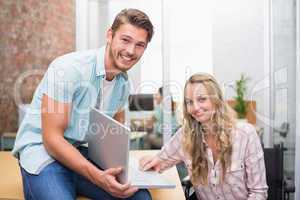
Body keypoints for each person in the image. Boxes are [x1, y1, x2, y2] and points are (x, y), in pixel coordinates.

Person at [12, 8, 154, 200]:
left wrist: (128, 169)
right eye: (125, 40)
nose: (130, 51)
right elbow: (52, 139)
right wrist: (98, 178)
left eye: (139, 45)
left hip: (79, 153)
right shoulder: (68, 69)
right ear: (110, 35)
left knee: (141, 198)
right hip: (44, 154)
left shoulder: (123, 85)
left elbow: (108, 135)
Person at [140, 73, 268, 200]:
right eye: (189, 102)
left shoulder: (245, 134)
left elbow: (258, 193)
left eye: (202, 99)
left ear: (216, 99)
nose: (195, 108)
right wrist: (149, 162)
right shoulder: (185, 135)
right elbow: (159, 161)